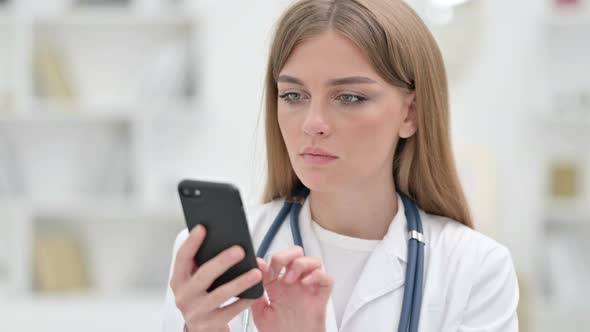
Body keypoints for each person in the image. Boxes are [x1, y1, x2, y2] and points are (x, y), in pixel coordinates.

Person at [161, 0, 520, 331]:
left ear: (410, 113)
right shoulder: (213, 261)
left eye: (349, 97)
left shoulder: (476, 269)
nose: (312, 122)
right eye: (293, 95)